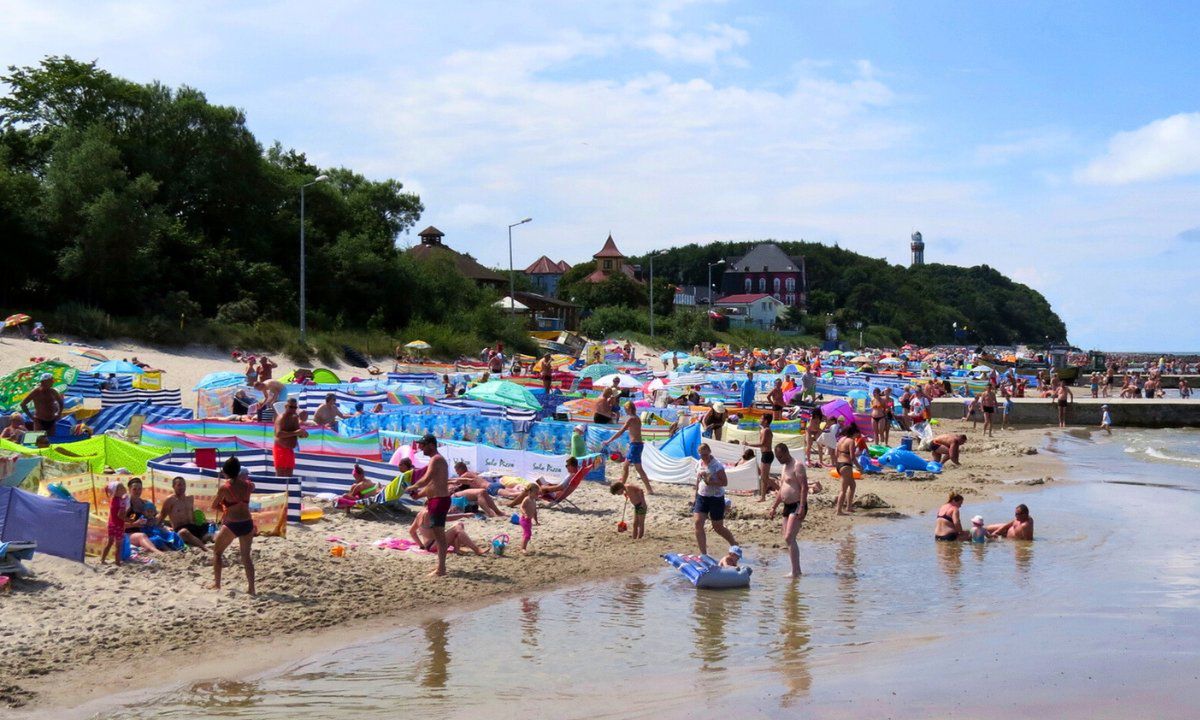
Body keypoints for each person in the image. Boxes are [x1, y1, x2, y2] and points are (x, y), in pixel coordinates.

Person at [408, 434, 452, 577]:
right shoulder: (436, 460)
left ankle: (441, 569)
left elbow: (426, 480)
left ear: (431, 445)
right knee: (438, 536)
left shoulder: (436, 459)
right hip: (436, 500)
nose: (420, 447)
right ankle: (441, 567)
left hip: (439, 501)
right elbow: (432, 485)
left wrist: (412, 486)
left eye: (423, 445)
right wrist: (418, 494)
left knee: (439, 537)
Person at [210, 467, 256, 595]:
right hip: (247, 523)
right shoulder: (249, 486)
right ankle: (252, 588)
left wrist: (226, 510)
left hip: (232, 523)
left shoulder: (225, 488)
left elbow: (214, 505)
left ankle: (217, 584)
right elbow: (251, 485)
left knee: (217, 552)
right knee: (246, 557)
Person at [767, 444, 807, 577]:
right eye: (777, 457)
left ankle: (796, 571)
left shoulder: (798, 465)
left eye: (780, 456)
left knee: (789, 537)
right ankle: (797, 570)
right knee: (788, 539)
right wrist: (774, 506)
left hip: (797, 505)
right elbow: (782, 489)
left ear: (786, 452)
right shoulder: (784, 467)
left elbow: (804, 487)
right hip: (787, 505)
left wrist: (802, 506)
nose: (779, 459)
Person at [692, 443, 739, 555]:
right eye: (702, 455)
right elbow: (698, 481)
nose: (704, 457)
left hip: (716, 498)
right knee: (698, 523)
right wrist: (695, 496)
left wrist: (711, 482)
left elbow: (724, 482)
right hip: (702, 497)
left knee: (717, 527)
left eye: (706, 454)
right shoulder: (699, 464)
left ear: (709, 452)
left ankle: (734, 544)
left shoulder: (716, 465)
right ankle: (703, 554)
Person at [600, 401, 653, 495]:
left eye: (625, 409)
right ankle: (648, 489)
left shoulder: (631, 419)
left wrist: (608, 441)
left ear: (629, 409)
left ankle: (622, 487)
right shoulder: (637, 418)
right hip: (637, 445)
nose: (625, 411)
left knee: (627, 466)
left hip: (635, 445)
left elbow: (620, 432)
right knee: (636, 468)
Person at [159, 476, 211, 549]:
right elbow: (161, 516)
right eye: (179, 485)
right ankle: (204, 547)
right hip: (180, 529)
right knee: (184, 532)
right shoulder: (170, 500)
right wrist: (163, 527)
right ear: (173, 486)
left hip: (193, 527)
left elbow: (192, 514)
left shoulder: (190, 498)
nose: (182, 487)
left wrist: (204, 521)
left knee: (210, 526)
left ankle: (207, 541)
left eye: (184, 484)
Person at [408, 508, 487, 555]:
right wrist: (463, 515)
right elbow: (446, 518)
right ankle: (477, 550)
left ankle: (456, 549)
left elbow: (412, 531)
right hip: (433, 545)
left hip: (430, 544)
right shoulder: (428, 513)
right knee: (457, 528)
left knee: (460, 524)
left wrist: (421, 545)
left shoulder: (420, 513)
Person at [273, 397, 307, 476]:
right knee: (280, 474)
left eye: (295, 407)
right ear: (286, 407)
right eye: (291, 407)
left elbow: (297, 432)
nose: (293, 409)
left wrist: (303, 433)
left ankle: (286, 489)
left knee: (289, 474)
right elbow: (278, 434)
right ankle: (278, 488)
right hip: (280, 448)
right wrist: (296, 433)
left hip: (290, 450)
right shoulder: (281, 418)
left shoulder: (294, 418)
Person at [834, 424, 862, 516]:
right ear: (854, 433)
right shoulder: (851, 441)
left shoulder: (841, 439)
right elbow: (852, 457)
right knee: (843, 490)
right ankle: (838, 511)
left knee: (853, 485)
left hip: (839, 464)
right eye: (857, 434)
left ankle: (849, 507)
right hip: (846, 465)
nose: (858, 436)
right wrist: (859, 467)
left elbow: (836, 452)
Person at [101, 481, 128, 565]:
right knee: (118, 545)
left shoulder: (113, 499)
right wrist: (128, 520)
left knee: (110, 543)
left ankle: (102, 559)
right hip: (118, 525)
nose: (124, 489)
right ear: (115, 491)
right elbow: (120, 515)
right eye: (121, 488)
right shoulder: (121, 502)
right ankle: (117, 562)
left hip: (111, 524)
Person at [507, 482, 540, 553]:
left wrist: (536, 521)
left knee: (527, 534)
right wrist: (524, 513)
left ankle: (523, 546)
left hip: (529, 520)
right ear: (530, 492)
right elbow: (521, 507)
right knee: (527, 534)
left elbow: (534, 511)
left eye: (538, 493)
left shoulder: (533, 500)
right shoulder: (527, 499)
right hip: (524, 520)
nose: (537, 494)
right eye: (536, 493)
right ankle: (523, 548)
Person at [754, 414, 774, 501]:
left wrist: (748, 444)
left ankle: (763, 497)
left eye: (761, 418)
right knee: (764, 477)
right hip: (766, 454)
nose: (760, 419)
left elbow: (762, 444)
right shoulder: (765, 430)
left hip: (767, 454)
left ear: (766, 421)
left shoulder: (766, 430)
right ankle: (763, 496)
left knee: (764, 477)